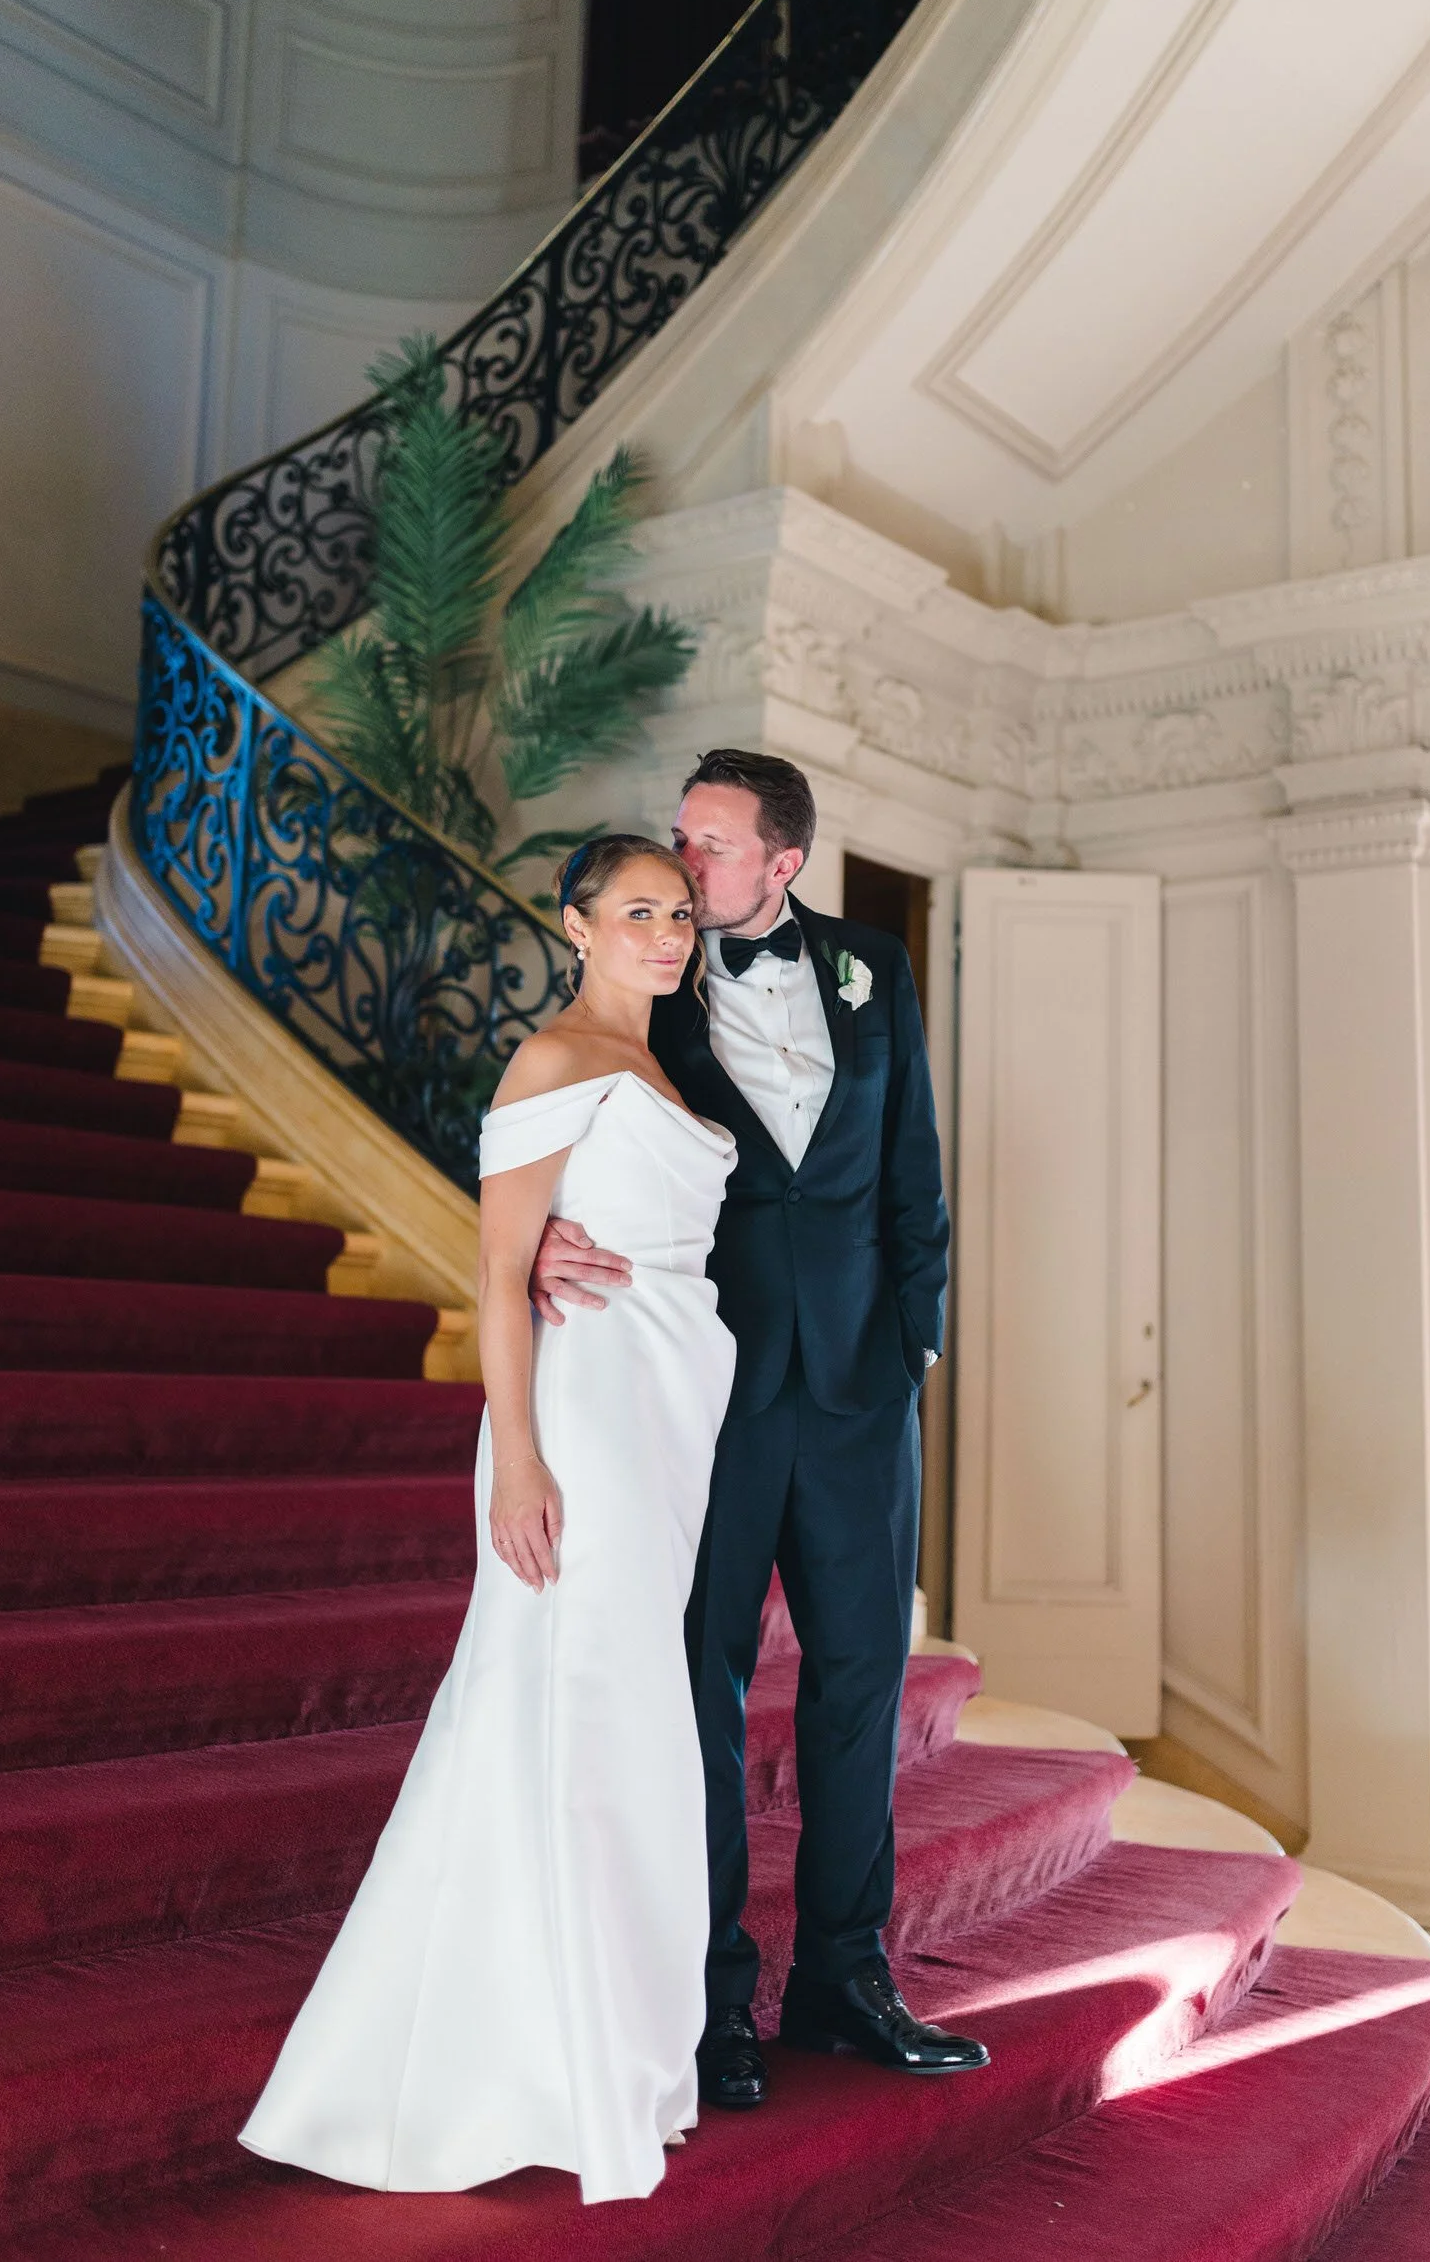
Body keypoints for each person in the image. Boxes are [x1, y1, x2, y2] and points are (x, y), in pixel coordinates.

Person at [238, 835, 738, 2205]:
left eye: (678, 913)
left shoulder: (660, 1065)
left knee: (627, 1713)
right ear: (574, 923)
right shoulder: (553, 1058)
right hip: (579, 1425)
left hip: (666, 1419)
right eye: (636, 911)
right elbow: (496, 1275)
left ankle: (618, 2047)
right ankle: (537, 2059)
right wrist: (518, 1462)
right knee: (567, 1704)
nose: (664, 931)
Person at [530, 750, 986, 2111]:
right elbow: (533, 1121)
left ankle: (845, 1979)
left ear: (781, 862)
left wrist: (914, 1343)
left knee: (859, 1684)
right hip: (697, 1387)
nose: (687, 868)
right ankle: (710, 1998)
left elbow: (915, 1168)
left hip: (858, 1391)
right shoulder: (642, 980)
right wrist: (541, 1237)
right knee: (702, 1688)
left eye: (713, 846)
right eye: (679, 841)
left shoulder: (872, 971)